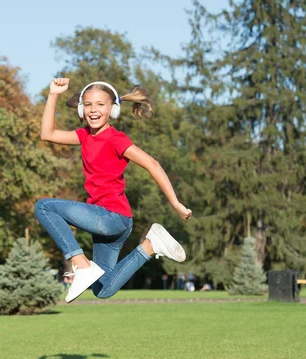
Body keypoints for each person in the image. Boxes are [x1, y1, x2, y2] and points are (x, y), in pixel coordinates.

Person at [35, 78, 192, 303]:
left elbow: (152, 164)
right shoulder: (84, 136)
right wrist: (53, 95)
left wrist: (175, 203)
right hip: (109, 224)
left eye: (100, 104)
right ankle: (150, 246)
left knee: (44, 207)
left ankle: (81, 264)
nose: (93, 110)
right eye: (88, 105)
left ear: (113, 109)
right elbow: (47, 134)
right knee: (103, 289)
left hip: (111, 218)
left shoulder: (116, 139)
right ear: (81, 109)